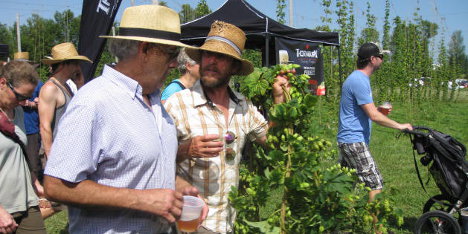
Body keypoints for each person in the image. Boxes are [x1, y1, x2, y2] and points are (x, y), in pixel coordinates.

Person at [43, 5, 206, 233]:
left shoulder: (156, 101)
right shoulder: (94, 102)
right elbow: (56, 186)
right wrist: (142, 200)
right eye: (171, 54)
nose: (174, 64)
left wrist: (177, 188)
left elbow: (141, 170)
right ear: (145, 49)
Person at [164, 21, 289, 233]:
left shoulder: (243, 106)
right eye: (207, 55)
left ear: (233, 67)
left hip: (227, 222)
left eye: (220, 57)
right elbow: (152, 162)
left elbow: (274, 142)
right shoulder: (177, 105)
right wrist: (186, 149)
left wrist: (279, 99)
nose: (211, 61)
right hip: (192, 222)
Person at [337, 42, 413, 201]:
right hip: (354, 141)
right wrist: (400, 126)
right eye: (381, 56)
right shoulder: (359, 80)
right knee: (375, 184)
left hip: (348, 140)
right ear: (372, 59)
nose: (382, 60)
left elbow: (366, 112)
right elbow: (373, 117)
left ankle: (335, 221)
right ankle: (376, 226)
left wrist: (378, 111)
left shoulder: (358, 78)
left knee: (344, 184)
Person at [0, 61, 46, 233]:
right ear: (3, 83)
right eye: (19, 96)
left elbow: (19, 154)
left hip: (27, 202)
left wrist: (35, 183)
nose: (21, 102)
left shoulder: (17, 111)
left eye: (26, 98)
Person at [38, 42, 91, 158]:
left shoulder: (66, 86)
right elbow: (44, 126)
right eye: (75, 63)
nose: (78, 68)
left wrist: (80, 85)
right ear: (63, 65)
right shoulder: (50, 88)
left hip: (67, 152)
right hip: (57, 154)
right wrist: (51, 157)